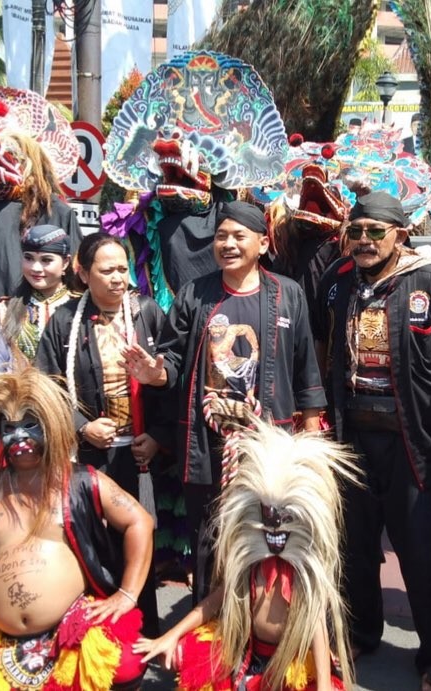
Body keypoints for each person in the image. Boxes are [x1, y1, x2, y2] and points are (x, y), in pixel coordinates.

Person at [314, 191, 431, 691]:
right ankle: (362, 634)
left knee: (422, 546)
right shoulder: (337, 282)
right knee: (354, 543)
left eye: (375, 232)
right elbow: (322, 344)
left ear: (399, 236)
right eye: (356, 231)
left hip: (415, 439)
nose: (364, 241)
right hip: (352, 436)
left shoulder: (430, 283)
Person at [124, 201, 326, 605]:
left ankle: (265, 629)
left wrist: (310, 436)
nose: (227, 244)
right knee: (210, 537)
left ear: (263, 243)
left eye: (238, 236)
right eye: (221, 236)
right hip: (207, 441)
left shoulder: (289, 295)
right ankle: (209, 631)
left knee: (267, 536)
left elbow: (307, 368)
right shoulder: (195, 295)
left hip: (268, 444)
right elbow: (174, 361)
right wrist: (156, 373)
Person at [0, 370, 153, 691]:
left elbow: (140, 521)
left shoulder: (81, 481)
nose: (20, 438)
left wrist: (126, 594)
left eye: (30, 426)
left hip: (73, 627)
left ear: (50, 429)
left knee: (126, 664)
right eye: (10, 428)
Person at [136, 422, 357, 690]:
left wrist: (323, 684)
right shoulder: (250, 569)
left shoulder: (301, 578)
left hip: (289, 666)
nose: (275, 526)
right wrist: (170, 636)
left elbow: (317, 630)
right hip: (249, 658)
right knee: (186, 654)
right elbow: (210, 605)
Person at [36, 232, 172, 637]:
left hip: (140, 453)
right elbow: (47, 387)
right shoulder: (64, 320)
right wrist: (82, 427)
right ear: (82, 272)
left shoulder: (147, 311)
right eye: (106, 270)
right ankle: (94, 629)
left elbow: (171, 378)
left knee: (139, 535)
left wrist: (158, 435)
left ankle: (141, 627)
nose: (118, 278)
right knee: (90, 542)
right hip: (90, 455)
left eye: (122, 269)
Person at [0, 224, 75, 380]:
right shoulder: (4, 311)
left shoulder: (80, 307)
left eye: (46, 260)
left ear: (65, 263)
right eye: (29, 258)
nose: (36, 268)